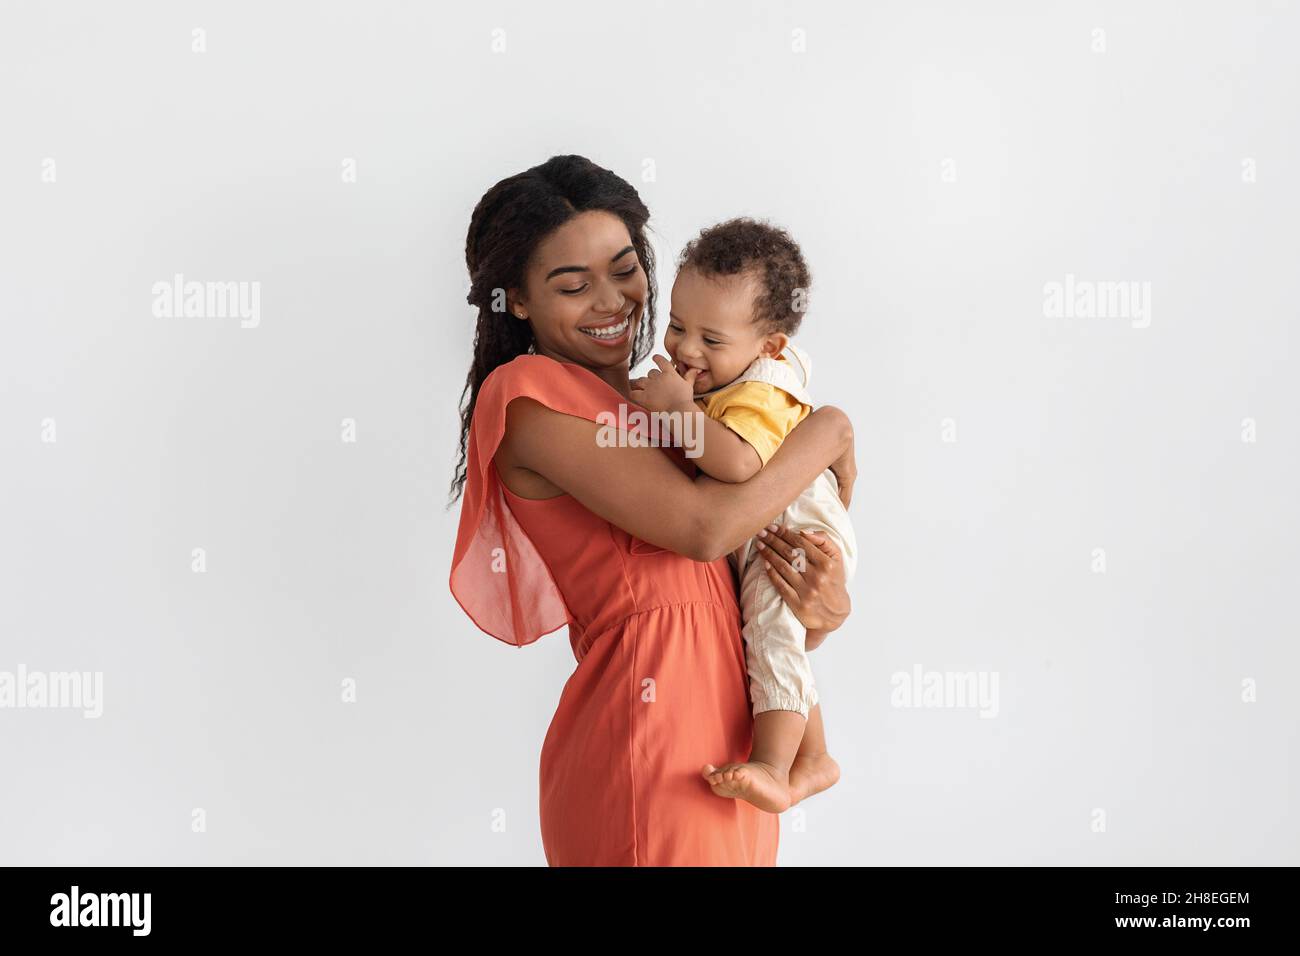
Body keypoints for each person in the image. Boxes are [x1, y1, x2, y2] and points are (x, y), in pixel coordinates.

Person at [449, 155, 856, 865]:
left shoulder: (672, 407)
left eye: (625, 268)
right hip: (648, 749)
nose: (611, 301)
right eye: (572, 285)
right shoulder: (529, 398)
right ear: (517, 300)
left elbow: (733, 577)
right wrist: (827, 432)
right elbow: (703, 531)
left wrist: (819, 609)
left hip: (737, 748)